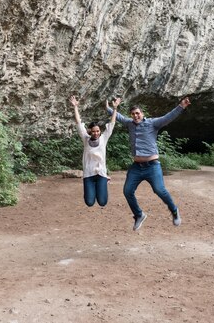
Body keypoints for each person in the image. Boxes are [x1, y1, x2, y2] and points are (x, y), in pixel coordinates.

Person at [107, 96, 191, 230]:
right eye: (133, 114)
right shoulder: (129, 123)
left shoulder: (153, 123)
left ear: (142, 114)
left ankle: (174, 210)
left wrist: (181, 106)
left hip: (152, 166)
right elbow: (119, 117)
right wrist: (109, 107)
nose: (135, 116)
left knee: (159, 190)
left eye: (137, 113)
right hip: (136, 167)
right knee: (127, 191)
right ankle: (139, 215)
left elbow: (168, 117)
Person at [70, 95, 118, 207]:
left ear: (100, 131)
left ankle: (104, 183)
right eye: (93, 131)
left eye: (97, 131)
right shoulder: (86, 139)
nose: (96, 133)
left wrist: (115, 109)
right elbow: (78, 123)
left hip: (101, 174)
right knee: (89, 202)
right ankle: (92, 189)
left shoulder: (103, 138)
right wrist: (75, 107)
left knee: (102, 202)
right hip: (89, 174)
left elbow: (111, 124)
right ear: (90, 132)